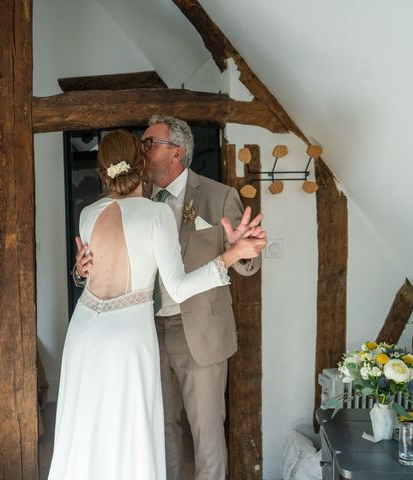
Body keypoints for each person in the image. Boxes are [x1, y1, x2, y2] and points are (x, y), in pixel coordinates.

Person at [51, 130, 265, 480]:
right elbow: (117, 269)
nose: (146, 148)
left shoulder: (217, 195)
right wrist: (80, 270)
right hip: (140, 331)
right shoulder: (151, 207)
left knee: (101, 425)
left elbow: (250, 265)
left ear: (178, 151)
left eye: (152, 142)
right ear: (137, 162)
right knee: (148, 430)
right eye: (143, 146)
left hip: (166, 330)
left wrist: (240, 250)